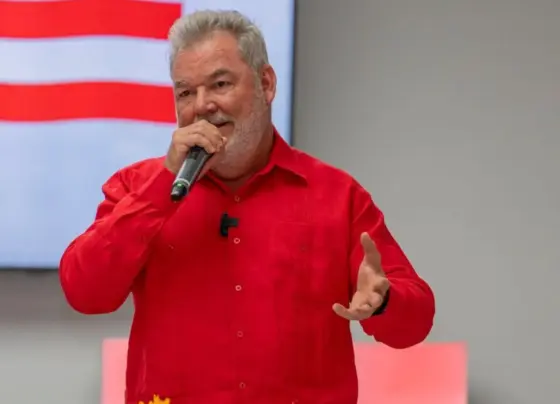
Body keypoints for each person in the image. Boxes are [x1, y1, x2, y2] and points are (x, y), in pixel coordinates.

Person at [59, 9, 435, 404]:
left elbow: (416, 323)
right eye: (185, 93)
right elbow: (85, 293)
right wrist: (162, 187)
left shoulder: (337, 195)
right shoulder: (137, 187)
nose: (202, 105)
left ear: (266, 84)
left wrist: (385, 301)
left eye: (220, 84)